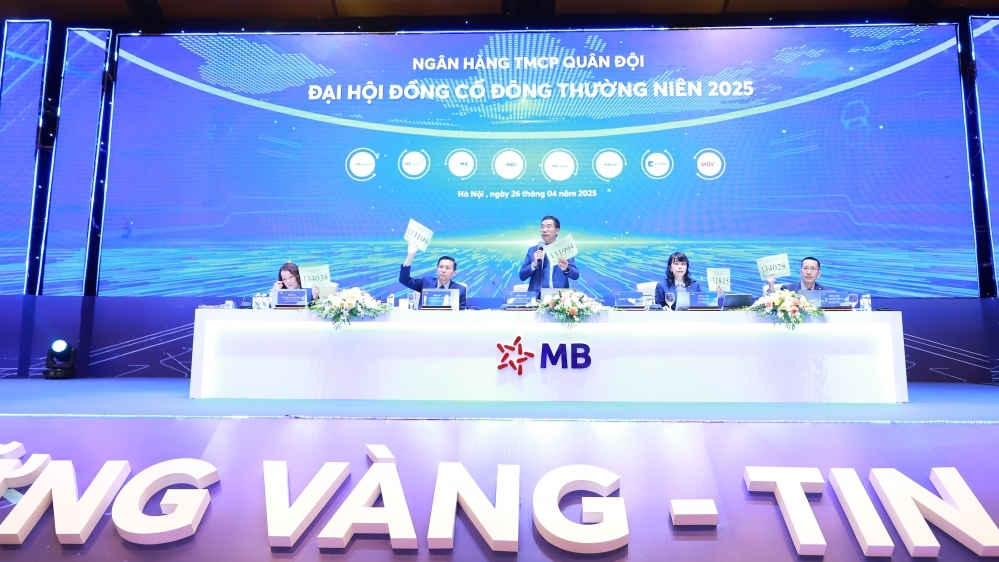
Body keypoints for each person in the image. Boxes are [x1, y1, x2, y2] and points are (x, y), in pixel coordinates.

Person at [518, 215, 579, 293]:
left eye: (548, 227)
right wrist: (534, 264)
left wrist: (566, 269)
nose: (544, 230)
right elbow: (522, 276)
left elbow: (575, 276)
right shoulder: (533, 250)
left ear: (557, 230)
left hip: (559, 297)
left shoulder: (564, 249)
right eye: (542, 227)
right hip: (537, 298)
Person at [399, 242, 467, 310]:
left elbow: (463, 312)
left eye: (447, 268)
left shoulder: (460, 289)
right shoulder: (426, 282)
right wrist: (410, 256)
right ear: (437, 270)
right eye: (441, 267)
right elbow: (404, 280)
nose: (443, 270)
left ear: (454, 273)